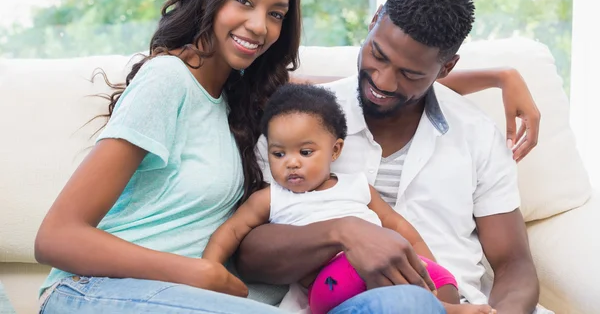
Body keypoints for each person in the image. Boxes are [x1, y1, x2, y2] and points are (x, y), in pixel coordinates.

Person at [33, 0, 539, 314]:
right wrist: (202, 274)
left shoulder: (250, 97)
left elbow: (396, 90)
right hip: (99, 293)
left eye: (276, 13)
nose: (258, 25)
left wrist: (501, 76)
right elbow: (54, 237)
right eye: (244, 1)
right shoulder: (170, 81)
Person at [238, 0, 542, 314]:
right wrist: (343, 233)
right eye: (378, 55)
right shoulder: (298, 122)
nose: (382, 81)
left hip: (458, 303)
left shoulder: (477, 133)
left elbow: (515, 265)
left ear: (446, 69)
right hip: (339, 302)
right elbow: (250, 256)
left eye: (410, 74)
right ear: (373, 21)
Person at [204, 83, 497, 314]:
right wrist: (211, 267)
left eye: (305, 152)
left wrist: (422, 266)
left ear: (335, 151)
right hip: (331, 286)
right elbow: (231, 231)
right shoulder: (272, 197)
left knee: (443, 278)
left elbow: (401, 229)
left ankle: (443, 305)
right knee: (364, 265)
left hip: (382, 270)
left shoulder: (357, 187)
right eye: (279, 154)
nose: (291, 163)